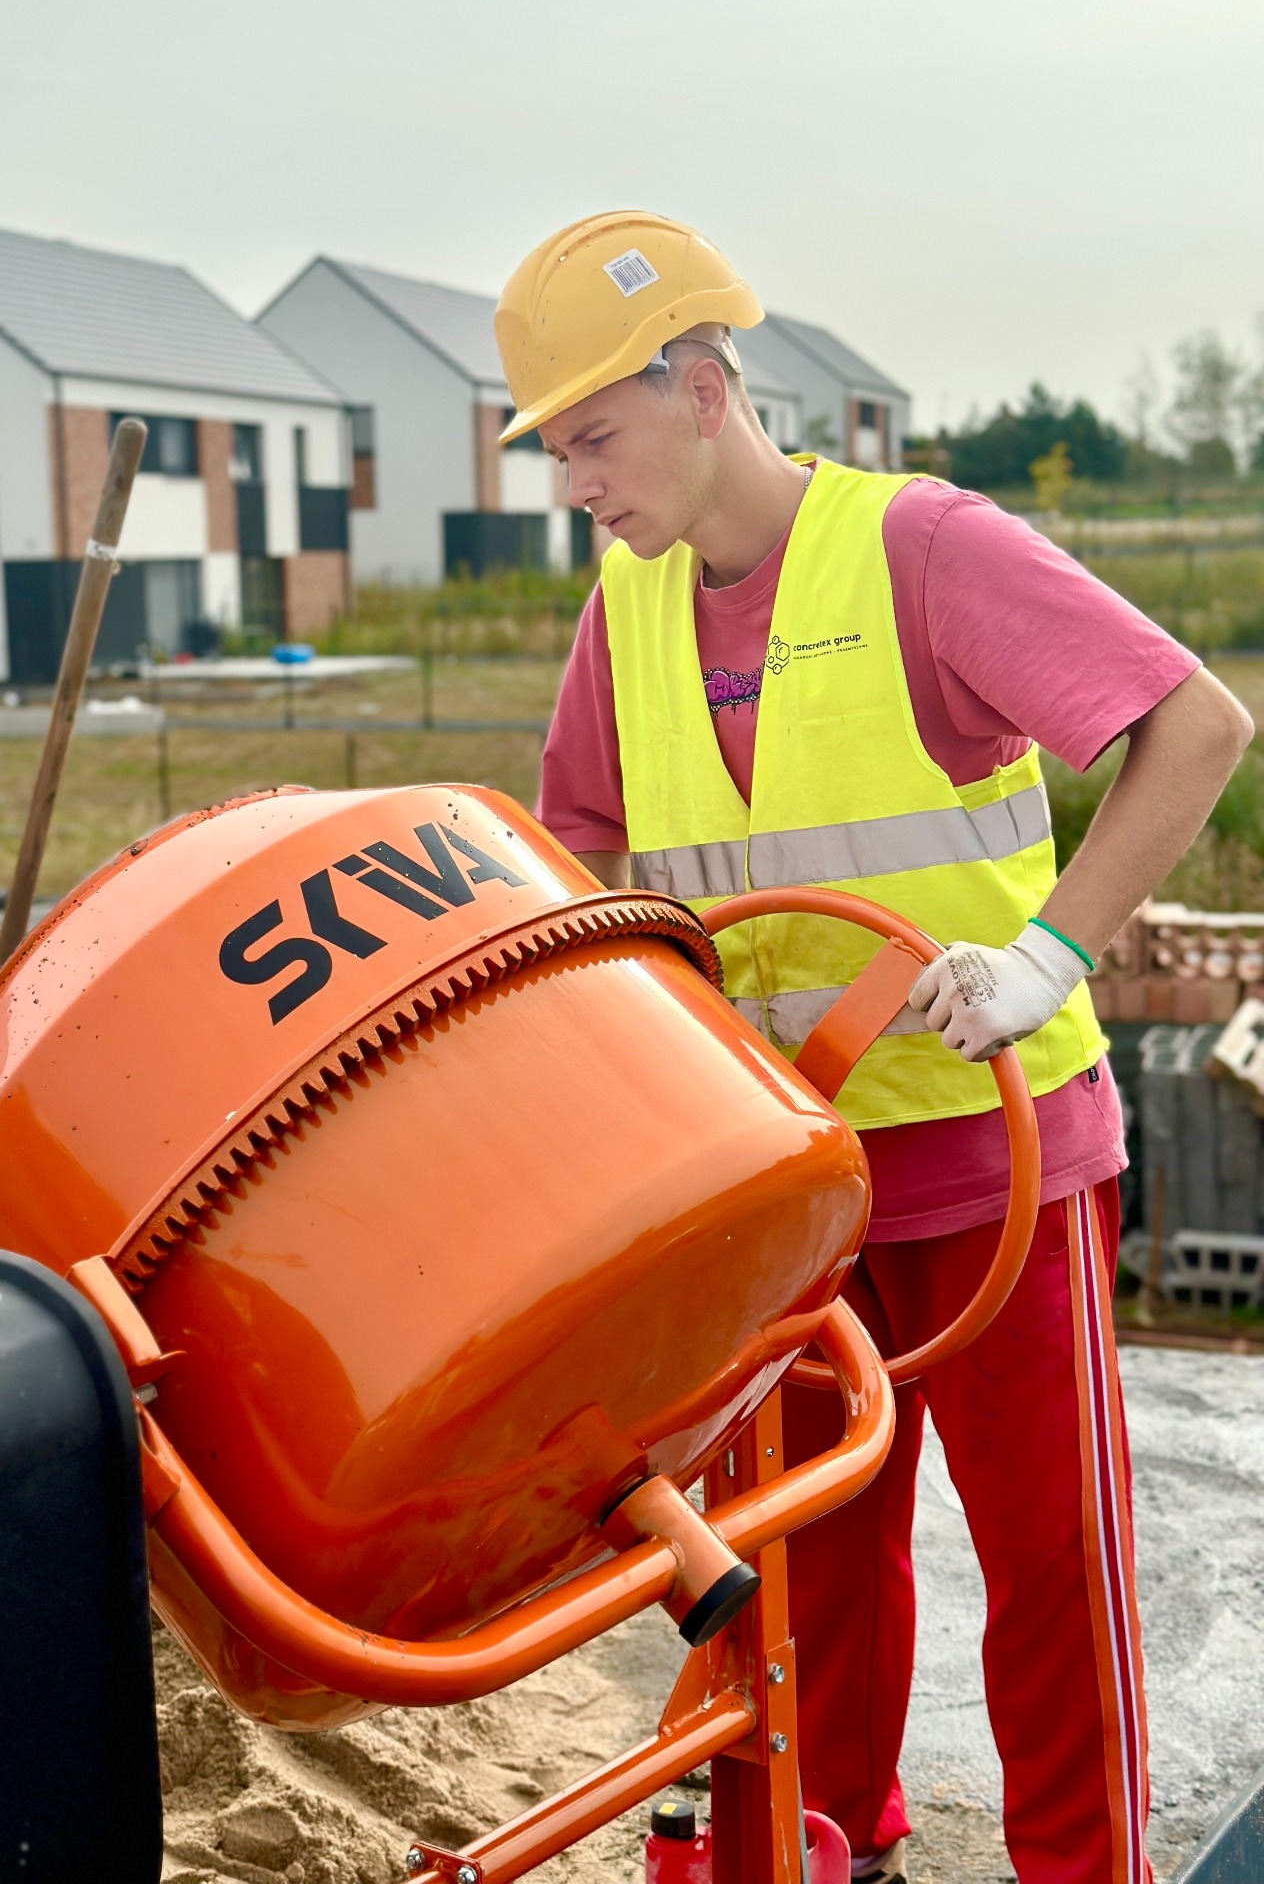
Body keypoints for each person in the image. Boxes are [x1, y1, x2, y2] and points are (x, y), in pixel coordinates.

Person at [494, 210, 1254, 1884]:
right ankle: (820, 1839)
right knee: (809, 1562)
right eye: (557, 449)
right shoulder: (623, 619)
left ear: (705, 390)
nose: (578, 484)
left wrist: (1052, 954)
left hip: (995, 1163)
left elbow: (1198, 726)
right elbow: (575, 866)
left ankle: (1081, 1868)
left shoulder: (923, 547)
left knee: (1050, 1570)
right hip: (784, 1182)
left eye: (596, 438)